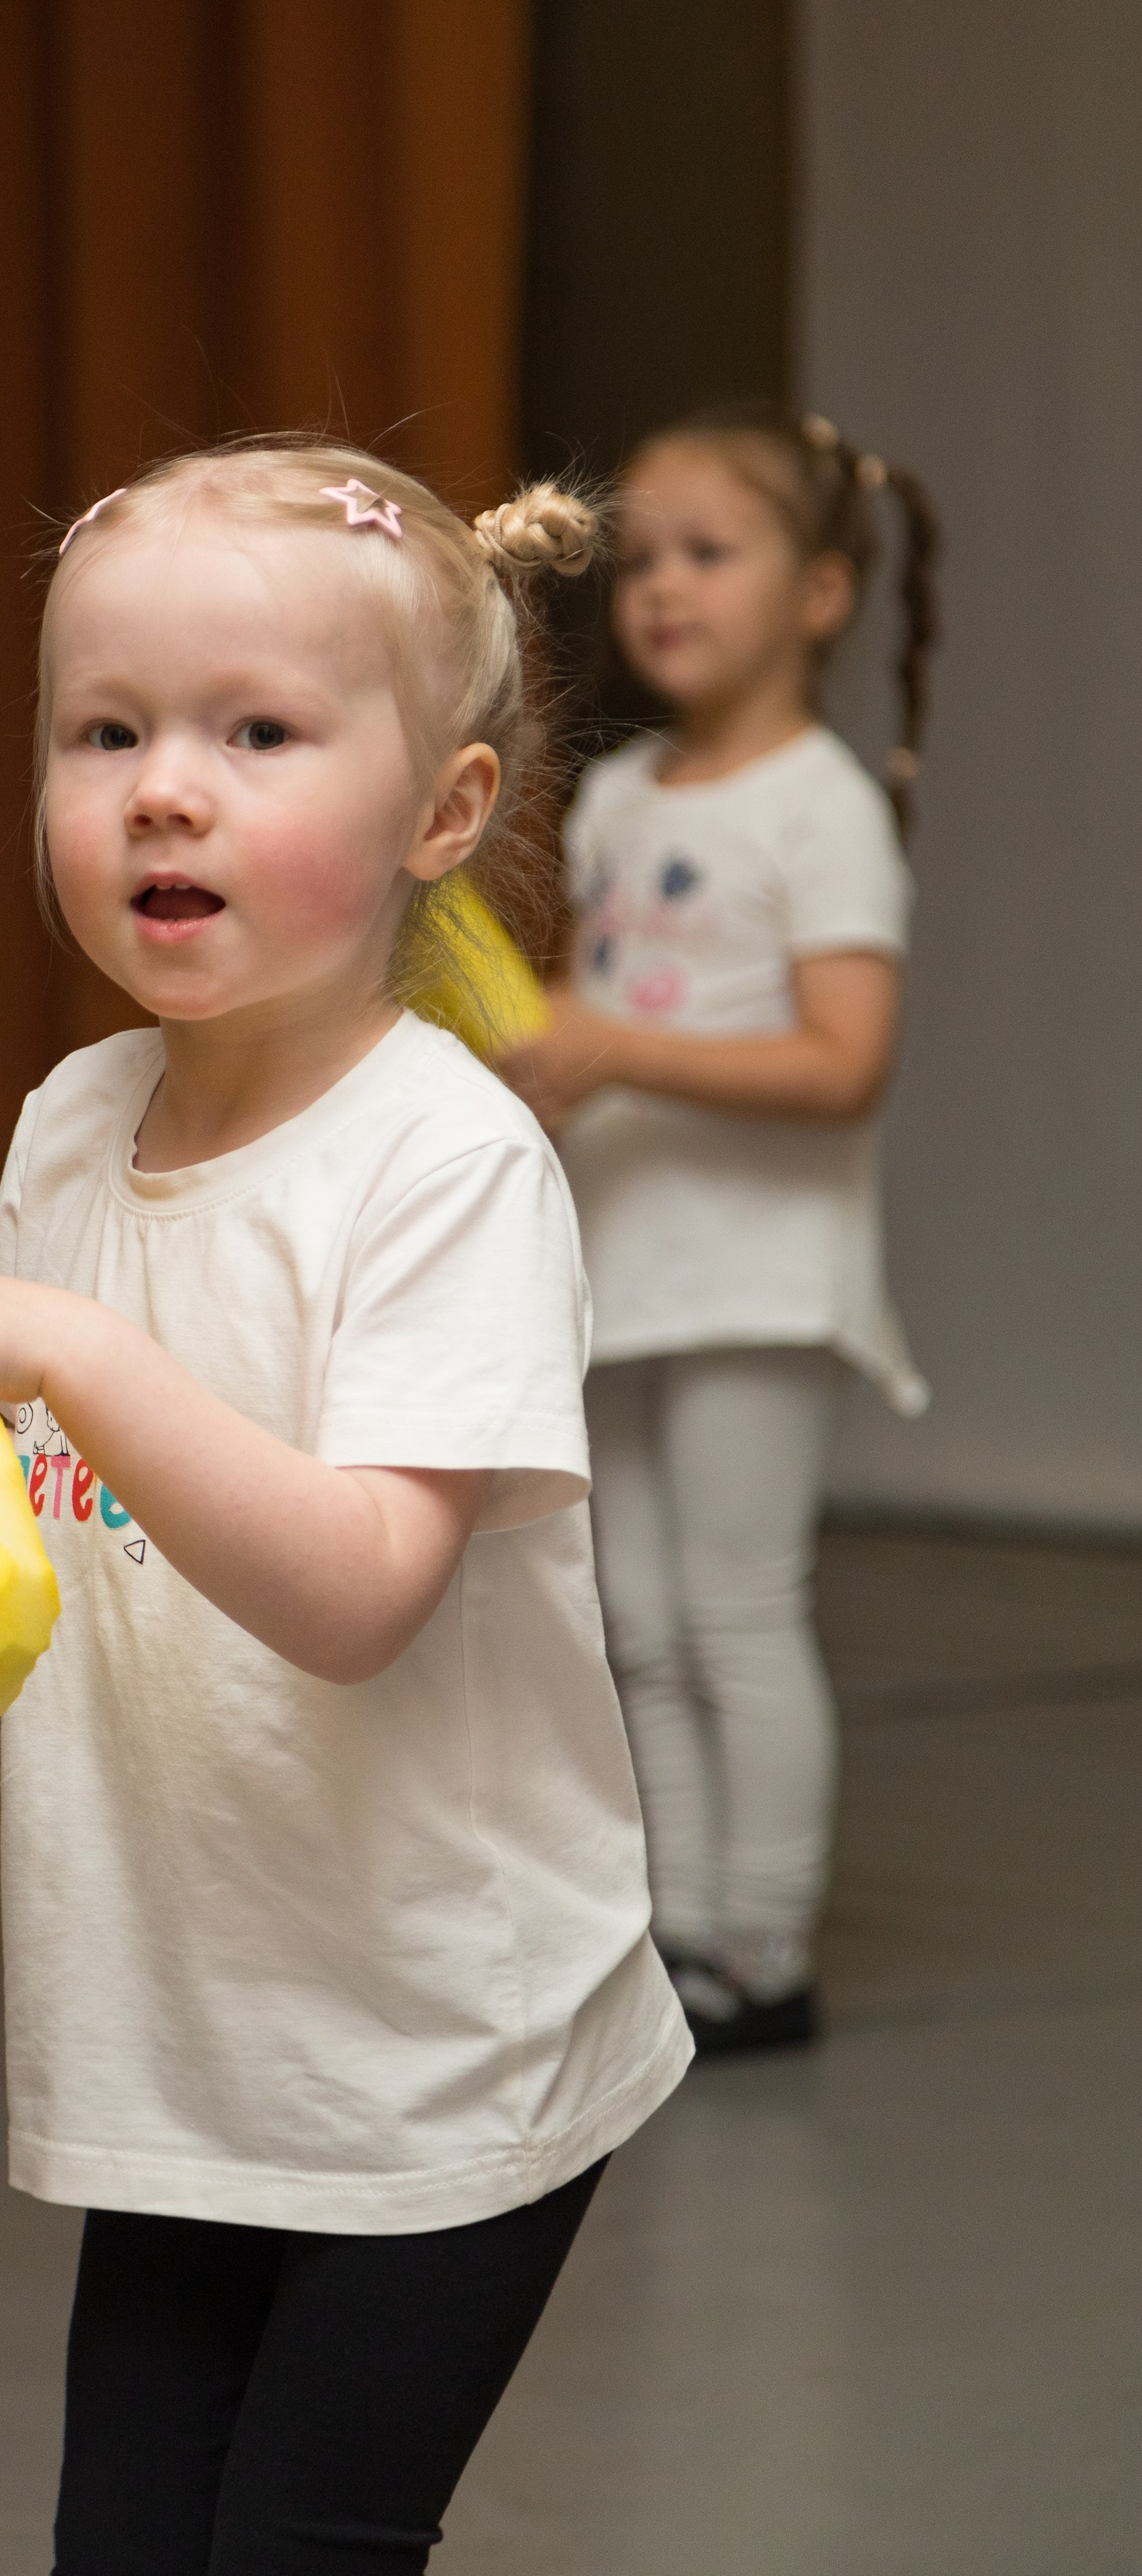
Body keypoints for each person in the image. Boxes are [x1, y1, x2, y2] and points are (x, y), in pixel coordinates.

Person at [0, 439, 691, 2575]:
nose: (167, 786)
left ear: (441, 814)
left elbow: (358, 1591)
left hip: (442, 2045)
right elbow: (57, 1521)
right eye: (107, 730)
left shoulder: (442, 1171)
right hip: (184, 2022)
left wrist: (56, 1355)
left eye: (256, 733)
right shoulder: (73, 1130)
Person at [501, 406, 940, 2057]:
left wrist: (612, 1044)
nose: (662, 587)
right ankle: (674, 1927)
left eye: (709, 553)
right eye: (640, 560)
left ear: (819, 594)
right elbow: (615, 1022)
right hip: (628, 1272)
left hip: (755, 1281)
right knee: (637, 1617)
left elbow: (841, 1065)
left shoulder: (817, 807)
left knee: (739, 1608)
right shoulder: (617, 797)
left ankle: (762, 1941)